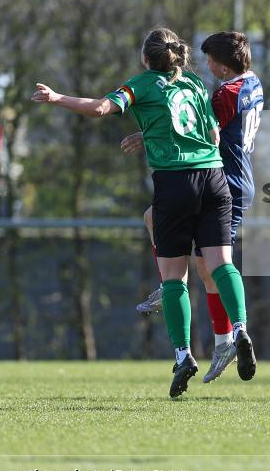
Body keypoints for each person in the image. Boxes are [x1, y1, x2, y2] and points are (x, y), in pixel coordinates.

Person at [31, 27, 257, 398]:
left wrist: (57, 98)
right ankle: (240, 330)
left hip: (176, 183)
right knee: (221, 265)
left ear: (146, 58)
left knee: (173, 278)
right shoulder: (198, 86)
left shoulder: (142, 84)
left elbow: (100, 108)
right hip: (215, 179)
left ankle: (184, 354)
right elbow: (214, 136)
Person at [128, 31, 264, 384]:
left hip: (222, 178)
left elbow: (202, 132)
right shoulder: (253, 83)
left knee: (211, 268)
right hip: (238, 178)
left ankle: (225, 339)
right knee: (154, 220)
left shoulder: (225, 93)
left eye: (209, 60)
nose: (206, 66)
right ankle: (178, 294)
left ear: (220, 63)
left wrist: (150, 135)